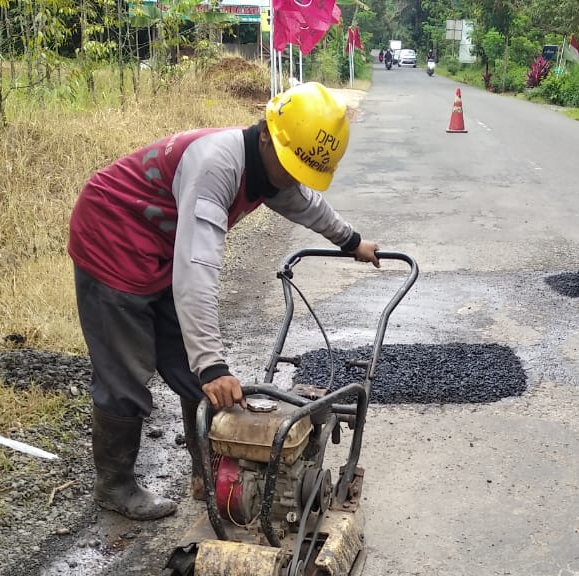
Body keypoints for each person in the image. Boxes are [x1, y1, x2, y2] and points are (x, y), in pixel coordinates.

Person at [67, 82, 381, 521]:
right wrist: (214, 362)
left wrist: (352, 242)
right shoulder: (218, 165)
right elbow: (197, 270)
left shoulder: (270, 166)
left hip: (160, 247)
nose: (293, 177)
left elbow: (306, 204)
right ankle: (114, 486)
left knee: (191, 373)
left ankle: (209, 475)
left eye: (300, 171)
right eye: (291, 167)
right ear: (269, 136)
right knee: (128, 373)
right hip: (112, 237)